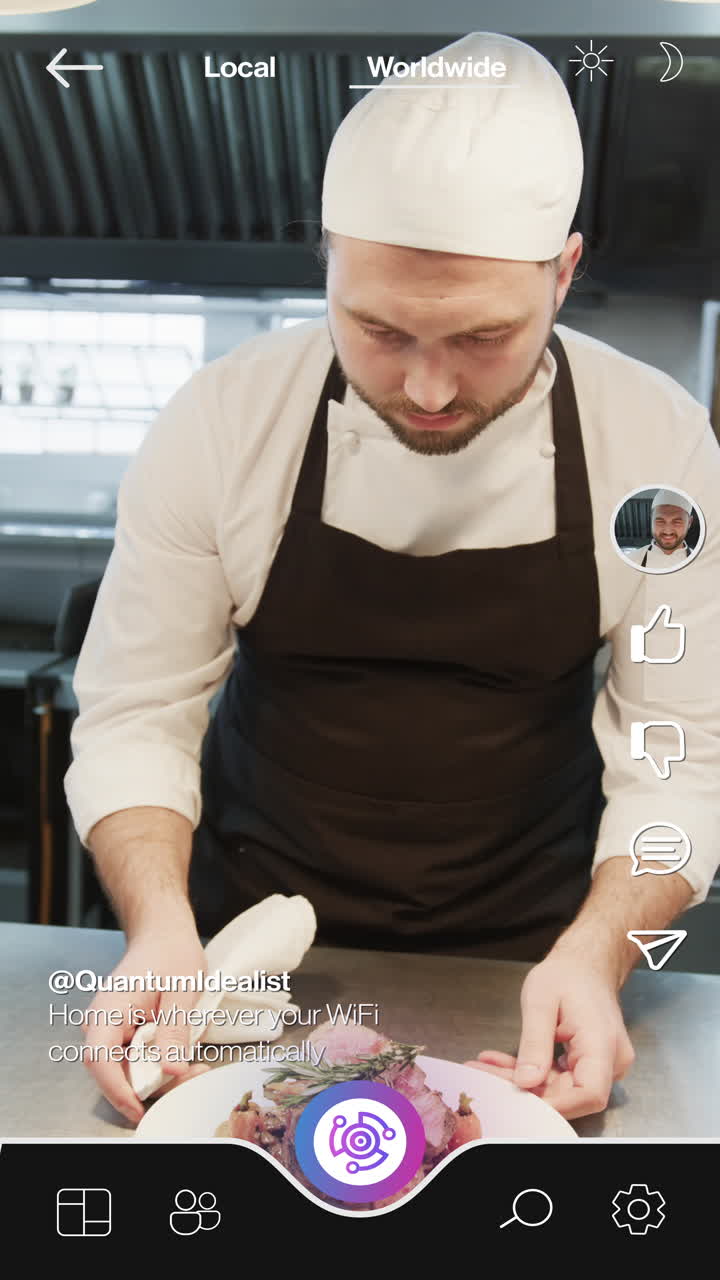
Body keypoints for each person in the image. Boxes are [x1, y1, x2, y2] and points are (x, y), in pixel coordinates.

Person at [64, 32, 720, 1127]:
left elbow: (682, 755)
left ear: (563, 273)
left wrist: (601, 952)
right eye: (376, 327)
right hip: (239, 962)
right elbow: (138, 710)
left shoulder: (658, 446)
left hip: (532, 972)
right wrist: (158, 925)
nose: (424, 386)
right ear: (326, 258)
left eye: (482, 337)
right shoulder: (227, 422)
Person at [623, 489, 696, 570]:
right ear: (651, 520)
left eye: (677, 522)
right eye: (660, 521)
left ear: (689, 522)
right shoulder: (631, 560)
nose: (668, 531)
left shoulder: (701, 561)